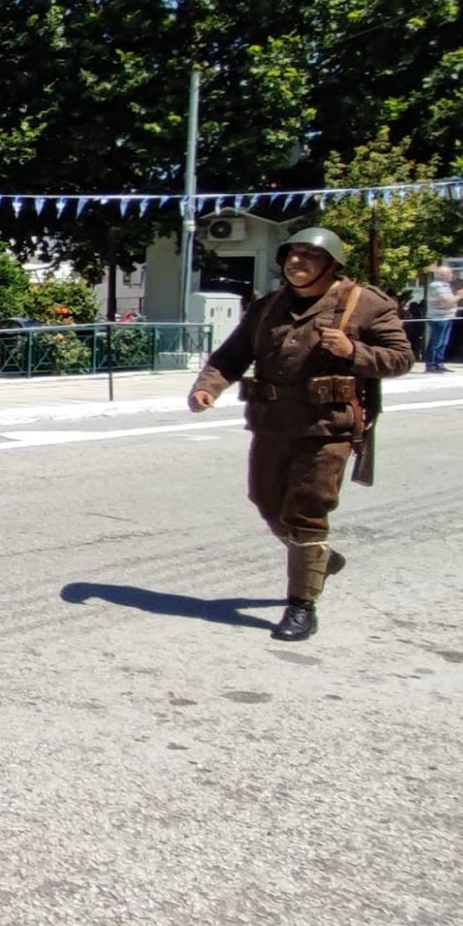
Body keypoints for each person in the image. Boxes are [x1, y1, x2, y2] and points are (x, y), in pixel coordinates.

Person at [187, 227, 412, 642]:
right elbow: (232, 355)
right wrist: (207, 387)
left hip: (328, 427)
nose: (297, 262)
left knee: (308, 509)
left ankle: (301, 606)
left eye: (309, 255)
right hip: (272, 424)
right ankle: (317, 559)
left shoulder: (366, 305)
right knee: (265, 499)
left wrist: (353, 352)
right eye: (292, 254)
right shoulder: (268, 307)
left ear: (332, 263)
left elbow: (400, 358)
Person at [419, 264, 463, 373]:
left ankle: (439, 363)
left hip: (446, 316)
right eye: (450, 273)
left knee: (443, 342)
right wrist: (460, 296)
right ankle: (431, 365)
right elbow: (447, 301)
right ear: (443, 275)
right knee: (437, 342)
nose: (452, 275)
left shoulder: (444, 285)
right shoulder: (437, 286)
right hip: (438, 318)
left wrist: (457, 296)